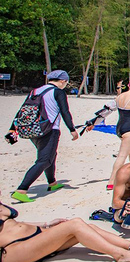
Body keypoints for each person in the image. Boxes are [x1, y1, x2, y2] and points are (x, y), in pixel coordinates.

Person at [0, 190, 130, 262]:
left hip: (36, 236)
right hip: (15, 248)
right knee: (75, 225)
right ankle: (119, 254)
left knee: (88, 227)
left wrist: (46, 224)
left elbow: (16, 224)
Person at [8, 70, 79, 203]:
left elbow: (22, 110)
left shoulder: (35, 91)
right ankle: (21, 190)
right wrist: (72, 129)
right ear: (62, 81)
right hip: (49, 130)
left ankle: (52, 183)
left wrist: (13, 128)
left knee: (51, 155)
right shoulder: (58, 92)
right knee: (44, 160)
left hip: (32, 129)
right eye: (66, 82)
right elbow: (65, 111)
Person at [86, 77, 130, 191]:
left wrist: (93, 122)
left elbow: (105, 112)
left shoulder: (120, 97)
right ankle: (112, 181)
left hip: (119, 128)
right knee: (122, 156)